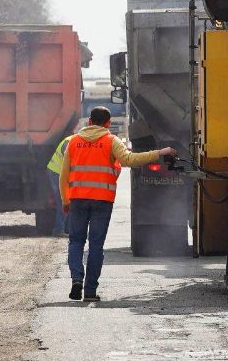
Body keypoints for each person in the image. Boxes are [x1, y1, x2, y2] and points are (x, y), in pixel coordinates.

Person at [59, 106, 175, 302]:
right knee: (96, 245)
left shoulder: (74, 142)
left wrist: (65, 200)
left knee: (76, 242)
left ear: (89, 122)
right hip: (102, 201)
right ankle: (90, 291)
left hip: (78, 200)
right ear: (108, 123)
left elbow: (64, 176)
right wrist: (160, 153)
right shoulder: (111, 141)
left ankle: (76, 279)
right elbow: (130, 159)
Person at [45, 134, 73, 236]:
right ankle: (58, 229)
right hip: (56, 172)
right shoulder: (69, 142)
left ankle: (67, 229)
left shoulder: (74, 141)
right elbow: (70, 160)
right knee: (63, 200)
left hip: (59, 172)